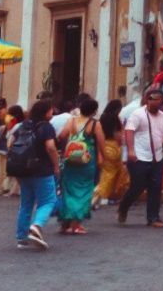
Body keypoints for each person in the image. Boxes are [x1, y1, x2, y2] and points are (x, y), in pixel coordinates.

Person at [116, 88, 163, 228]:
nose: (156, 103)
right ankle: (123, 206)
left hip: (157, 158)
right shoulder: (137, 114)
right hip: (139, 157)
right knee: (137, 186)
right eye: (153, 99)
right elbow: (129, 131)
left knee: (156, 187)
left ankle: (153, 217)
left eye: (159, 100)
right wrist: (131, 150)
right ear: (147, 100)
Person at [14, 99, 61, 250]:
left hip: (23, 168)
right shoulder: (46, 127)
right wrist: (56, 165)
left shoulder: (24, 125)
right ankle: (37, 225)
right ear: (46, 112)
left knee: (26, 203)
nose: (52, 112)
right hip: (42, 168)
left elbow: (11, 143)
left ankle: (21, 237)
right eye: (50, 110)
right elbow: (50, 147)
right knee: (49, 200)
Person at [57, 97, 103, 234]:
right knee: (84, 191)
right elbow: (101, 143)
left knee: (68, 191)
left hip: (70, 160)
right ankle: (76, 225)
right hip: (86, 161)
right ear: (94, 111)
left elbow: (61, 136)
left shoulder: (71, 120)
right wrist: (103, 159)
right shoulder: (95, 124)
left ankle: (65, 223)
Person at [93, 100, 128, 207]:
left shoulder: (101, 119)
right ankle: (95, 198)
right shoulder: (115, 119)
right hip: (113, 147)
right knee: (110, 175)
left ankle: (101, 198)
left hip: (103, 145)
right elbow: (118, 135)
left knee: (107, 173)